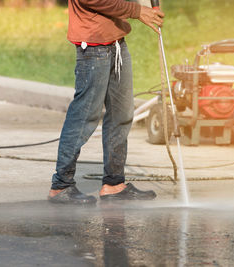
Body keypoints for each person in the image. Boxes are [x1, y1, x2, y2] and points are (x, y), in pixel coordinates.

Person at [48, 0, 164, 204]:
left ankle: (114, 184)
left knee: (122, 114)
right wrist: (137, 11)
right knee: (85, 116)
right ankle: (61, 186)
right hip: (93, 49)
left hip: (117, 44)